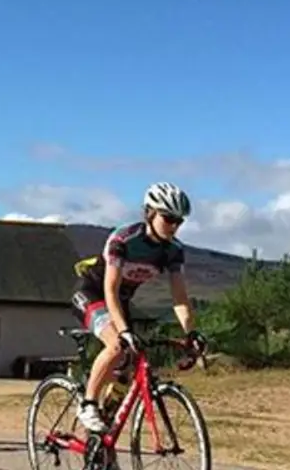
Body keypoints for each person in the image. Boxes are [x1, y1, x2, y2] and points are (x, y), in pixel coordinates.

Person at [70, 182, 208, 435]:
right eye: (169, 218)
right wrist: (122, 331)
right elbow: (110, 289)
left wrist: (190, 333)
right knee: (116, 345)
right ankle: (88, 403)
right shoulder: (124, 239)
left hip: (120, 303)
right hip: (92, 293)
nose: (174, 226)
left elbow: (179, 297)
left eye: (179, 221)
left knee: (129, 370)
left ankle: (103, 435)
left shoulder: (173, 250)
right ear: (150, 213)